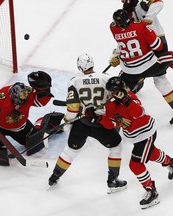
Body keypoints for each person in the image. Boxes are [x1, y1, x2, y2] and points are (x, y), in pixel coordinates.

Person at [48, 54, 127, 193]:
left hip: (82, 123)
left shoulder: (74, 82)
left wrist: (66, 122)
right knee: (116, 146)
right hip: (102, 123)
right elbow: (120, 97)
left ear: (79, 66)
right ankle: (112, 181)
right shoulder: (105, 78)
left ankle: (54, 177)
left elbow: (73, 109)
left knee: (70, 151)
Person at [102, 76, 173, 209]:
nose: (113, 94)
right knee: (151, 153)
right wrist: (97, 118)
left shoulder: (131, 97)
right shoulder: (111, 106)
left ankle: (151, 191)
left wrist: (126, 100)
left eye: (116, 91)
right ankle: (172, 162)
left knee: (135, 165)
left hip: (146, 133)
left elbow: (138, 113)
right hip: (136, 137)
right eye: (111, 92)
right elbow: (111, 124)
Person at [109, 9, 173, 128]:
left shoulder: (113, 28)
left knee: (121, 89)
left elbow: (122, 40)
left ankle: (118, 118)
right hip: (150, 66)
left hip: (129, 71)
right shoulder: (141, 26)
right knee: (169, 58)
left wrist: (116, 55)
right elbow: (158, 46)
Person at [0, 71, 53, 156]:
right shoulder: (2, 95)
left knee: (34, 145)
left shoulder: (28, 92)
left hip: (20, 128)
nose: (20, 103)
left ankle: (39, 123)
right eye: (17, 101)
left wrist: (45, 90)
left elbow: (41, 102)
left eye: (22, 101)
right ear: (11, 95)